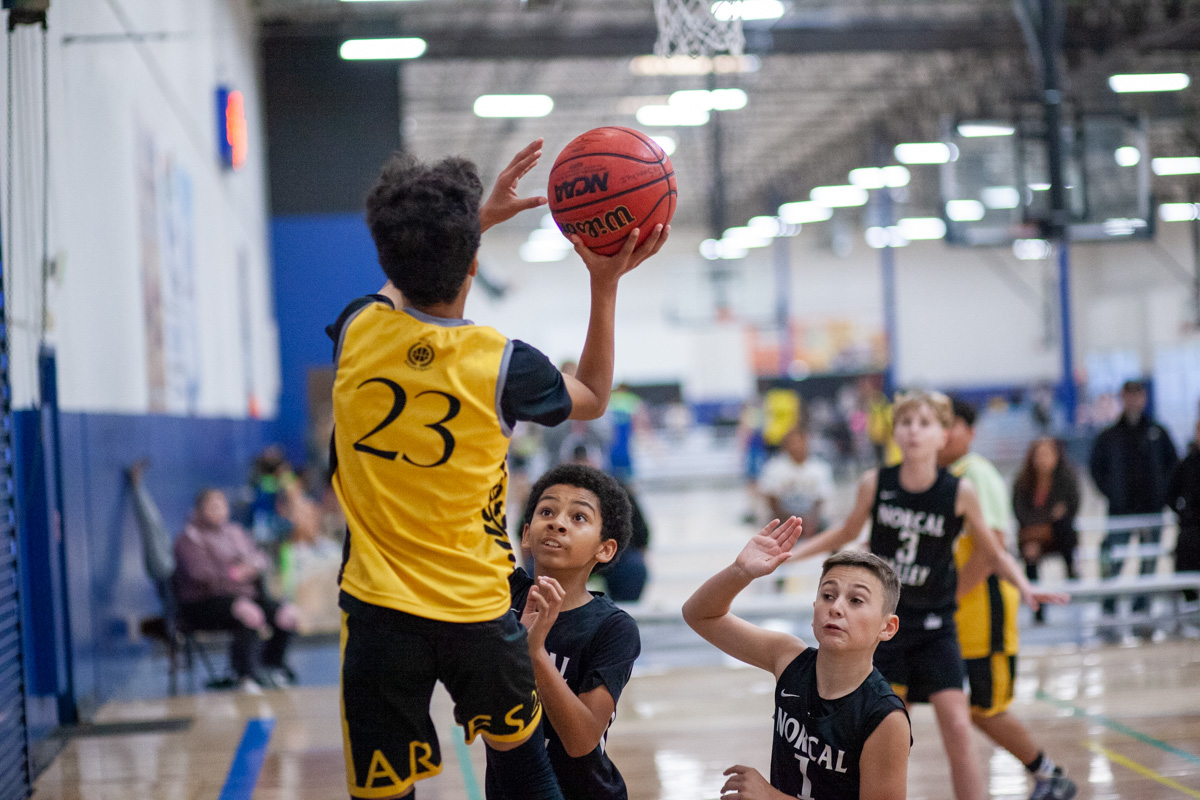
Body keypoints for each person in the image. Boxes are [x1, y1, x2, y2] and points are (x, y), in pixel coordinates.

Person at [327, 139, 667, 800]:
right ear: (475, 264)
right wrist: (604, 283)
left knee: (381, 791)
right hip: (478, 613)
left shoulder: (357, 329)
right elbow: (593, 394)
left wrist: (470, 223)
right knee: (522, 768)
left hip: (377, 611)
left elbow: (403, 277)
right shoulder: (501, 361)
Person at [788, 391, 1056, 800]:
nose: (914, 431)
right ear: (894, 431)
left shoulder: (960, 492)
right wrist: (789, 556)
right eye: (906, 422)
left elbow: (992, 550)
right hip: (886, 632)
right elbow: (844, 534)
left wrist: (1025, 584)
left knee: (958, 727)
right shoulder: (876, 483)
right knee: (882, 737)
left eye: (925, 423)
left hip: (937, 630)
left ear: (943, 434)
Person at [684, 525, 911, 800]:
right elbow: (699, 615)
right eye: (828, 595)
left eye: (856, 600)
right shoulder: (787, 656)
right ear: (814, 611)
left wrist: (771, 797)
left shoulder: (887, 719)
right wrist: (740, 572)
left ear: (887, 627)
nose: (836, 607)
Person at [941, 400, 1077, 800]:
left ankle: (1049, 774)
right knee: (914, 699)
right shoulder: (942, 477)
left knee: (984, 709)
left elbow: (991, 550)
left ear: (969, 431)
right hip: (954, 614)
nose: (939, 433)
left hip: (984, 611)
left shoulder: (976, 475)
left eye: (949, 425)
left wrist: (947, 600)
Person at [486, 464, 640, 800]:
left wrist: (535, 652)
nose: (557, 522)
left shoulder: (614, 628)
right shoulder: (501, 594)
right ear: (526, 534)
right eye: (547, 511)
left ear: (605, 548)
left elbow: (582, 740)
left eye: (579, 517)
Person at [173, 488, 299, 693]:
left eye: (222, 505)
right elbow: (201, 575)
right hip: (204, 604)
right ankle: (245, 676)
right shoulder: (189, 539)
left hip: (243, 596)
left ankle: (272, 667)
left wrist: (250, 568)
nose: (219, 510)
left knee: (287, 614)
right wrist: (233, 574)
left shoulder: (235, 533)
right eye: (213, 506)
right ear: (199, 510)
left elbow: (259, 558)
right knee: (248, 612)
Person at [1088, 379, 1178, 615]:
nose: (1133, 400)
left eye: (1137, 395)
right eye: (1129, 395)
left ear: (1144, 398)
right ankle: (1109, 603)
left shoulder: (1158, 433)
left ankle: (1142, 605)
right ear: (1122, 398)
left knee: (1149, 560)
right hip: (1120, 510)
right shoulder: (1109, 436)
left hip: (1151, 509)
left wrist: (1162, 495)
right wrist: (1111, 491)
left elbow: (1172, 465)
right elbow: (1096, 468)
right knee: (1113, 557)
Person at [1013, 437, 1082, 596]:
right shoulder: (1023, 483)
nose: (1043, 460)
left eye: (1047, 455)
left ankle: (1071, 576)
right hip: (1031, 536)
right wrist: (1047, 519)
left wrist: (1044, 521)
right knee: (1030, 550)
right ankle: (1036, 602)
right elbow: (1021, 513)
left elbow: (1070, 508)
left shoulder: (1066, 479)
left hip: (1059, 536)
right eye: (1040, 455)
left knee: (1063, 526)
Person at [758, 427, 835, 531]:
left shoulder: (820, 468)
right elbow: (772, 499)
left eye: (801, 442)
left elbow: (820, 500)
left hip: (811, 519)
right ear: (786, 446)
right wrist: (788, 522)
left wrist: (810, 522)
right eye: (793, 443)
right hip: (782, 519)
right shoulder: (774, 468)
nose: (797, 446)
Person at [1167, 417, 1200, 603]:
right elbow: (1170, 494)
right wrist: (1185, 512)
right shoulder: (1187, 464)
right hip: (1191, 536)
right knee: (1188, 589)